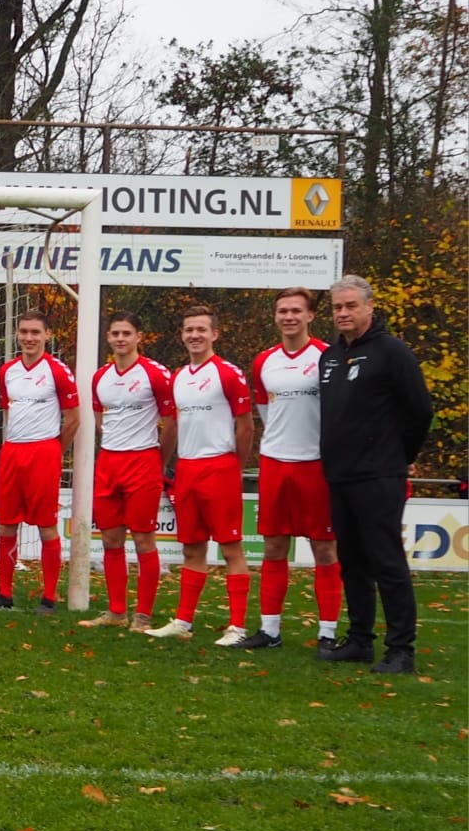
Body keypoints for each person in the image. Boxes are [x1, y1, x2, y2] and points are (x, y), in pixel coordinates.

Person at [317, 275, 434, 674]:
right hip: (340, 475)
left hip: (380, 475)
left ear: (369, 306)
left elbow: (420, 411)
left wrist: (401, 455)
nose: (344, 313)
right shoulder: (329, 357)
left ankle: (401, 649)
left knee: (387, 561)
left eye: (351, 305)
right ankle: (360, 640)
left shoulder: (392, 352)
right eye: (337, 307)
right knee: (351, 562)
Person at [236, 288, 338, 650]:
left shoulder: (328, 356)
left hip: (316, 465)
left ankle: (327, 634)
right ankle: (270, 630)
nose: (289, 317)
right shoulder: (264, 361)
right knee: (274, 547)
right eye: (282, 311)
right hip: (275, 463)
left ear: (311, 315)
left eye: (296, 310)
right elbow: (266, 410)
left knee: (325, 549)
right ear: (276, 316)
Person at [146, 305, 255, 643]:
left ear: (214, 334)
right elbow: (174, 425)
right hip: (188, 469)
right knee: (192, 548)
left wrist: (235, 466)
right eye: (189, 330)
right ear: (182, 335)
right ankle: (183, 621)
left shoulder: (227, 373)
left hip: (219, 465)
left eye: (201, 329)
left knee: (231, 547)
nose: (195, 335)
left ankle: (237, 626)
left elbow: (246, 425)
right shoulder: (178, 378)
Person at [79, 312, 175, 631]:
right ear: (108, 337)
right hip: (109, 463)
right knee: (110, 539)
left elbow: (172, 421)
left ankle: (143, 615)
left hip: (143, 462)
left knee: (144, 540)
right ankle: (116, 612)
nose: (121, 339)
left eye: (127, 333)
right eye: (115, 333)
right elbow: (98, 415)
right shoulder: (100, 377)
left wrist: (156, 460)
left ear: (139, 337)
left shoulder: (155, 373)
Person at [0, 312, 79, 614]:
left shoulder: (58, 371)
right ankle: (4, 594)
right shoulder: (7, 371)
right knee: (7, 523)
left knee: (46, 526)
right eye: (23, 331)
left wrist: (52, 451)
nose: (29, 338)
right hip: (12, 452)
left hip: (43, 453)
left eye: (35, 332)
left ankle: (49, 598)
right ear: (17, 334)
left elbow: (73, 419)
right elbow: (9, 412)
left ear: (47, 334)